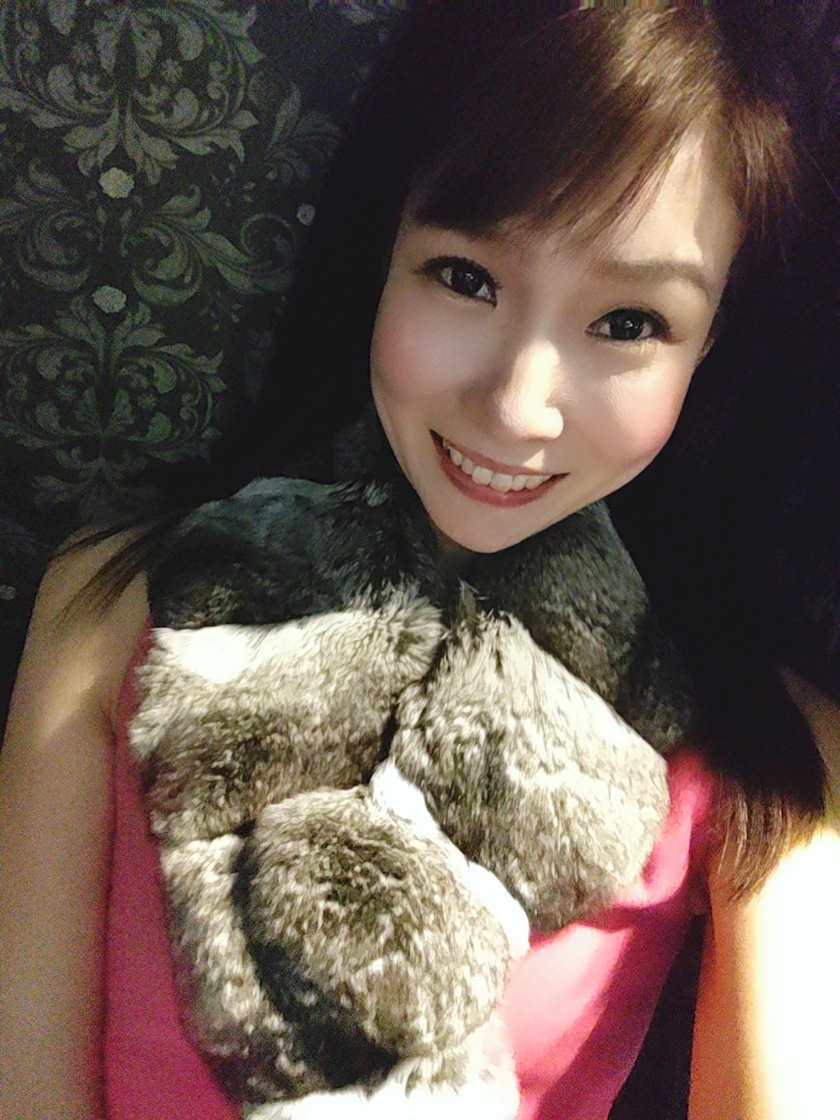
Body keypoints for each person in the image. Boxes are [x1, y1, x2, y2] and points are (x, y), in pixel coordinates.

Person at [1, 7, 837, 1119]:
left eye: (630, 323)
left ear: (712, 341)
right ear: (382, 253)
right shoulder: (111, 602)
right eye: (466, 277)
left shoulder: (768, 754)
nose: (518, 405)